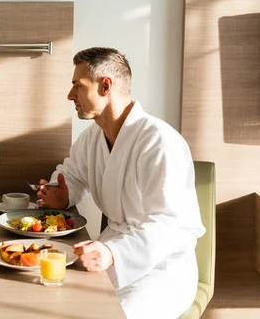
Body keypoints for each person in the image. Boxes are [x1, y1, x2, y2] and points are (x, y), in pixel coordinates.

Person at [37, 47, 205, 319]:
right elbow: (73, 176)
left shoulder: (159, 142)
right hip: (111, 249)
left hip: (161, 269)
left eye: (77, 86)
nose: (70, 96)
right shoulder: (92, 138)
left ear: (106, 86)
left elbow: (166, 223)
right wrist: (63, 196)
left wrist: (114, 253)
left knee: (106, 314)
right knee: (51, 302)